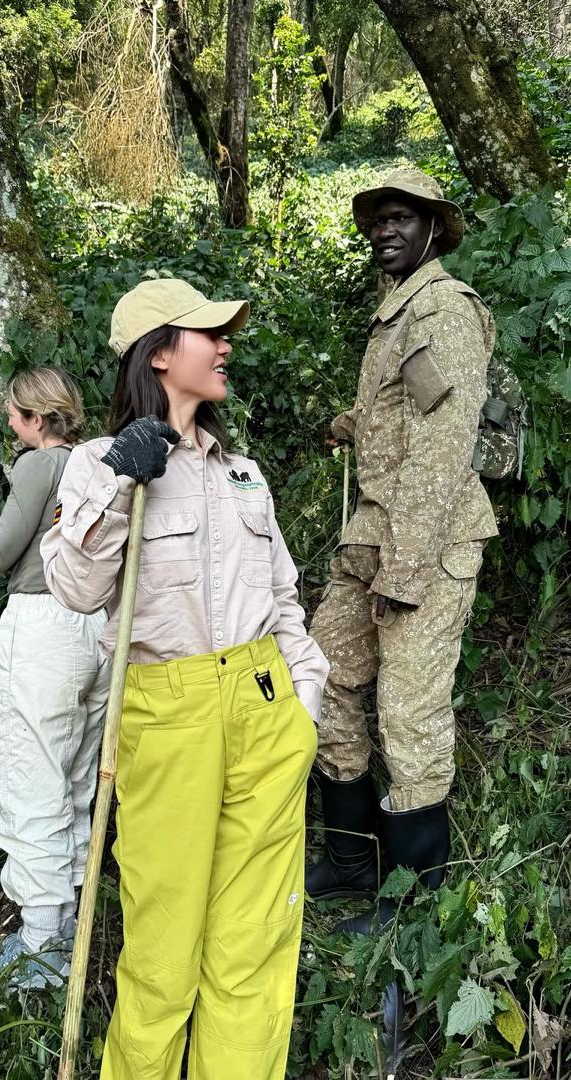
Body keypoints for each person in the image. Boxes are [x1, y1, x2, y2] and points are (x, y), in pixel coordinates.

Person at [41, 278, 328, 1080]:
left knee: (254, 946)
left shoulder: (244, 473)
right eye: (210, 333)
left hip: (265, 708)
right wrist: (120, 481)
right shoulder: (100, 464)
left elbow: (283, 599)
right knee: (164, 952)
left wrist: (304, 701)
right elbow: (75, 589)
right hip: (167, 715)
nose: (226, 344)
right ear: (160, 353)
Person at [306, 168, 498, 911]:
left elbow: (443, 445)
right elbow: (405, 407)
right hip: (373, 536)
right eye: (376, 220)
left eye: (400, 218)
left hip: (426, 542)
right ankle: (353, 862)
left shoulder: (443, 311)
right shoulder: (398, 309)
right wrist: (345, 427)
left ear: (431, 229)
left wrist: (407, 570)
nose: (384, 230)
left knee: (410, 712)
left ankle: (415, 903)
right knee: (324, 680)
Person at [0, 367, 110, 988]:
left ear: (35, 419)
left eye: (16, 418)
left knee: (33, 779)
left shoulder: (38, 463)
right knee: (75, 775)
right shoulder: (98, 464)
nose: (15, 429)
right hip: (98, 627)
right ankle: (69, 916)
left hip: (44, 627)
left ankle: (40, 945)